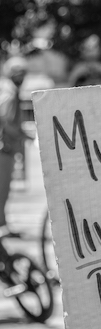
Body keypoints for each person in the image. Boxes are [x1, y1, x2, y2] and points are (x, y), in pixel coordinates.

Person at [0, 55, 30, 239]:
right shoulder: (9, 93)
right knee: (2, 189)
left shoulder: (9, 90)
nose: (22, 77)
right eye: (19, 74)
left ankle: (3, 225)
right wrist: (22, 135)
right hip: (4, 149)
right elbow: (5, 120)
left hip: (7, 148)